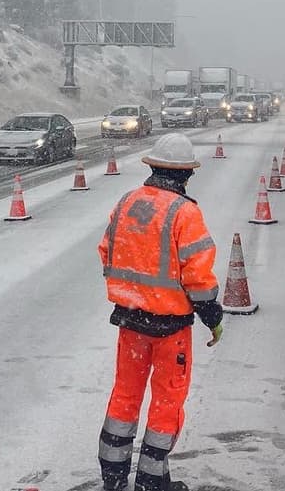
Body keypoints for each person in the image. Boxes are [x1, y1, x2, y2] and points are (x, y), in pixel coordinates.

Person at [97, 132, 224, 491]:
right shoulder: (185, 212)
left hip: (130, 321)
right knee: (167, 401)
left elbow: (107, 251)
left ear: (151, 167)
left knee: (124, 394)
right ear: (186, 174)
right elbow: (198, 277)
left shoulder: (126, 202)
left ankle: (114, 477)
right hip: (170, 328)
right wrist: (212, 317)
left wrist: (135, 292)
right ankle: (152, 481)